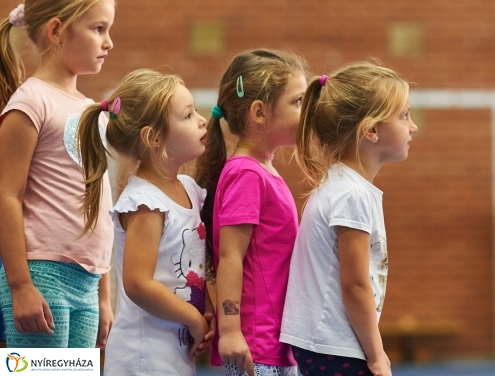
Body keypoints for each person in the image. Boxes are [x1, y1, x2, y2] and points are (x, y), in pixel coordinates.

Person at [0, 0, 116, 348]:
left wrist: (103, 294)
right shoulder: (31, 102)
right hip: (41, 273)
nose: (108, 41)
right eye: (98, 29)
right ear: (56, 31)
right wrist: (20, 285)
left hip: (87, 281)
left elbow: (101, 204)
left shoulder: (90, 110)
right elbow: (6, 196)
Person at [281, 62, 417, 376]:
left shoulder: (344, 186)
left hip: (327, 342)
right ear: (371, 130)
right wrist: (376, 353)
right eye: (404, 116)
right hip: (334, 344)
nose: (413, 127)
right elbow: (355, 285)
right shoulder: (351, 195)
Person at [78, 69, 214, 375]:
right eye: (188, 115)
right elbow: (138, 284)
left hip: (175, 353)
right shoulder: (145, 202)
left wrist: (206, 307)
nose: (202, 120)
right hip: (142, 357)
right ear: (153, 138)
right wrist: (192, 319)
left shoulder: (190, 189)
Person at [195, 49, 309, 376]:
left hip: (274, 341)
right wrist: (231, 330)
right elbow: (230, 255)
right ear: (260, 112)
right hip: (254, 344)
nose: (306, 111)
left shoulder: (262, 169)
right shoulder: (247, 174)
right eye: (298, 101)